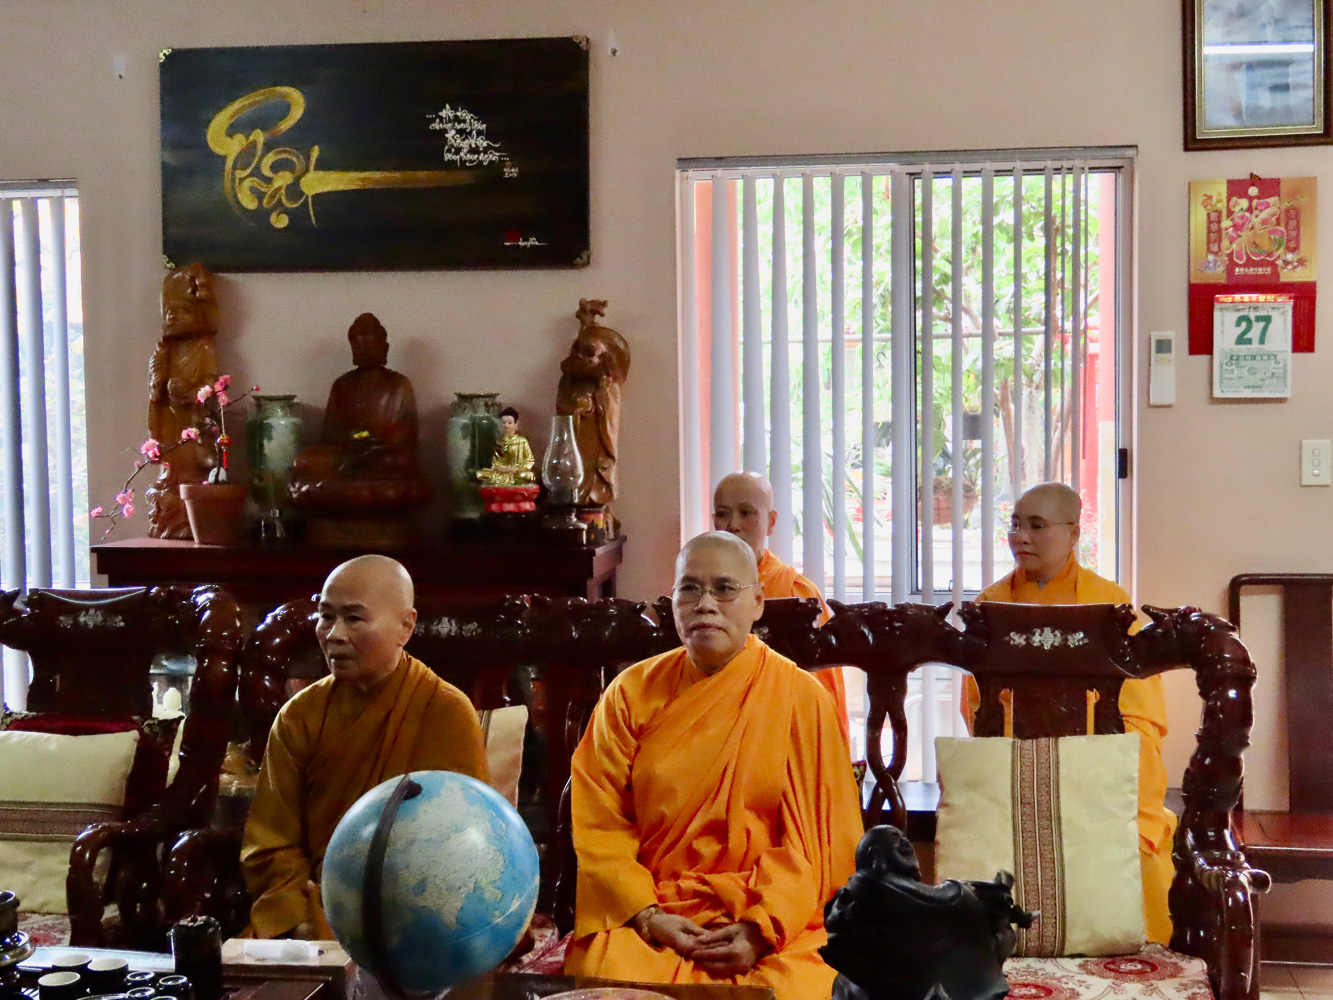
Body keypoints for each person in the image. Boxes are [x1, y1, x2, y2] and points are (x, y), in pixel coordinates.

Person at [565, 532, 862, 1000]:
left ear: (758, 602)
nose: (705, 604)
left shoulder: (802, 699)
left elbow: (817, 850)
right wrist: (647, 914)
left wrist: (761, 927)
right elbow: (600, 822)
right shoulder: (629, 694)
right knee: (604, 970)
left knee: (813, 985)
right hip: (656, 911)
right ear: (673, 602)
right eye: (690, 588)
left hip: (771, 918)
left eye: (724, 588)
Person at [963, 482, 1176, 945]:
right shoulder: (989, 607)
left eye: (1036, 525)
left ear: (1074, 533)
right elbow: (978, 711)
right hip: (1015, 774)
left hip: (1097, 775)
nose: (1020, 536)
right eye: (1015, 524)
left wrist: (1100, 781)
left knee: (1136, 844)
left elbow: (1139, 717)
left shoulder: (1109, 606)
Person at [240, 554, 488, 939]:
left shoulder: (443, 712)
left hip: (416, 923)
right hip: (311, 917)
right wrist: (301, 918)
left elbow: (465, 847)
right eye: (326, 616)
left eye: (354, 618)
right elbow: (270, 845)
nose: (334, 634)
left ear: (406, 626)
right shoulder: (299, 716)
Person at [712, 471, 849, 740]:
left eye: (746, 513)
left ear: (771, 522)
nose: (733, 525)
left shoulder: (797, 592)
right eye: (723, 514)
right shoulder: (699, 588)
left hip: (782, 728)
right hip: (716, 725)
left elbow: (821, 688)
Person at [289, 313, 424, 484]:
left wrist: (375, 438)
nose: (362, 350)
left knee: (401, 461)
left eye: (369, 344)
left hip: (381, 454)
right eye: (356, 345)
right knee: (304, 461)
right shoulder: (342, 385)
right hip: (347, 453)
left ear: (384, 348)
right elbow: (328, 435)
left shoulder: (399, 385)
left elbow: (408, 435)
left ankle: (348, 482)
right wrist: (350, 438)